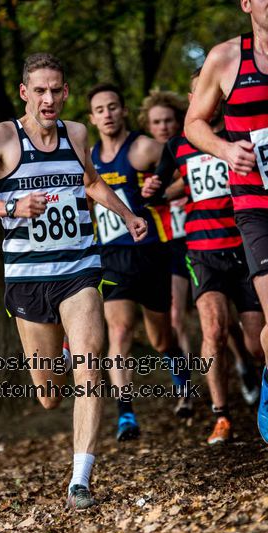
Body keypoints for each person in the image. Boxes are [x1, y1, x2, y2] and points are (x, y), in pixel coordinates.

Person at [0, 53, 148, 509]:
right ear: (25, 93)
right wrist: (11, 207)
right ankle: (56, 353)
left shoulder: (76, 133)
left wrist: (128, 214)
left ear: (65, 91)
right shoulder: (2, 137)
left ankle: (80, 478)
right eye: (40, 90)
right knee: (48, 395)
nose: (49, 98)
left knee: (91, 360)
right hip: (27, 279)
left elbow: (92, 183)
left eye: (56, 90)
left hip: (78, 268)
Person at [142, 69, 264, 444]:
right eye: (198, 95)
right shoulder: (178, 145)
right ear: (194, 99)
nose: (207, 103)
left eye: (212, 96)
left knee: (258, 341)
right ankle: (221, 416)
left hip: (244, 247)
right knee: (212, 329)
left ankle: (258, 389)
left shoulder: (238, 134)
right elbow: (159, 191)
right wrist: (150, 191)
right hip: (203, 252)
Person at [88, 83, 192, 443]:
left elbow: (185, 173)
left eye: (113, 107)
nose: (107, 114)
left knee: (161, 339)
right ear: (92, 118)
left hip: (152, 252)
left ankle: (180, 372)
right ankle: (126, 413)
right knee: (118, 332)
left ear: (123, 110)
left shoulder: (145, 147)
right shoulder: (89, 158)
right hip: (113, 256)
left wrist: (160, 192)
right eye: (100, 109)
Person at [184, 0, 268, 443]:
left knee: (259, 342)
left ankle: (262, 376)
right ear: (247, 4)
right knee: (218, 329)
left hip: (240, 238)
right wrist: (225, 150)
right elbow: (191, 127)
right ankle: (224, 408)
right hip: (244, 218)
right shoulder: (226, 58)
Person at [138, 91, 192, 356]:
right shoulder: (142, 162)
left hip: (195, 240)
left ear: (178, 120)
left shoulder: (189, 146)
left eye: (168, 120)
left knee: (223, 319)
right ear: (148, 126)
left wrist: (169, 192)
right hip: (165, 245)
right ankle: (185, 392)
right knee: (175, 317)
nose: (163, 127)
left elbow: (190, 177)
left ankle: (243, 365)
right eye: (157, 122)